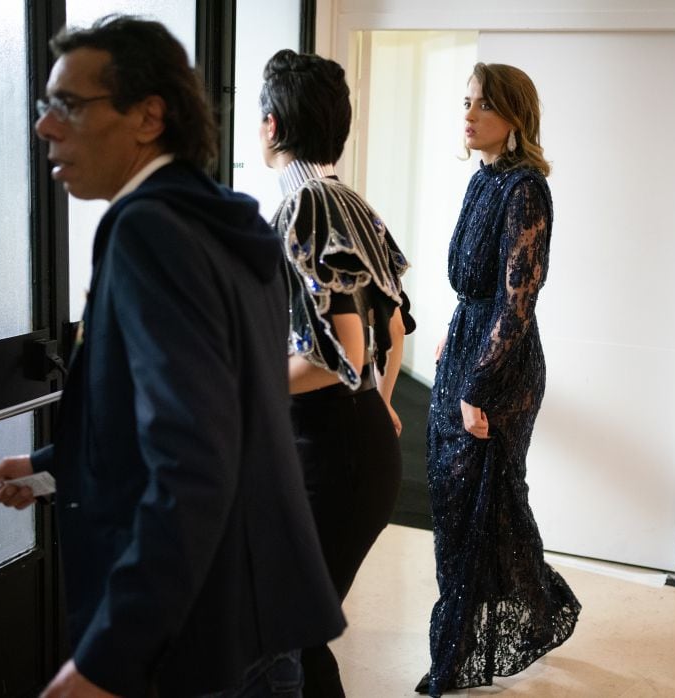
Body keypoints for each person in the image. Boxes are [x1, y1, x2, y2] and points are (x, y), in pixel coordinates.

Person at [0, 16, 344, 698]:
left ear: (148, 117)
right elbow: (219, 416)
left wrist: (110, 654)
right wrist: (53, 469)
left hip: (195, 629)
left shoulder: (146, 232)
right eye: (45, 107)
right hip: (258, 608)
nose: (46, 127)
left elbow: (193, 460)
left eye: (68, 106)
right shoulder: (227, 217)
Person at [416, 63, 581, 697]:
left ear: (513, 117)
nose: (469, 115)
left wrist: (478, 384)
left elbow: (518, 300)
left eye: (482, 105)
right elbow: (475, 287)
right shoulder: (480, 181)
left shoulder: (525, 190)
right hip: (468, 346)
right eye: (466, 103)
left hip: (501, 371)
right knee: (467, 505)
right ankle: (538, 605)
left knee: (483, 506)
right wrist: (454, 331)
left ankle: (453, 651)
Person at [258, 49, 414, 698]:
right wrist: (379, 404)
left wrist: (243, 383)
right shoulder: (350, 204)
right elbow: (394, 329)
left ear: (270, 125)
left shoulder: (305, 209)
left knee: (281, 629)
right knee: (292, 628)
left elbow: (339, 357)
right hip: (351, 450)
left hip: (337, 458)